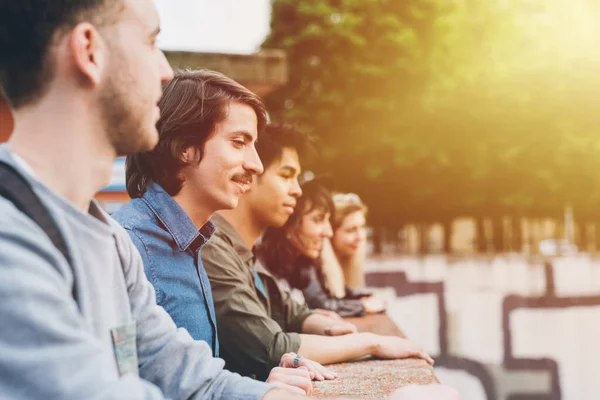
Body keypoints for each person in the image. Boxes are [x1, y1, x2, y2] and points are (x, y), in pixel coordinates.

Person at [0, 2, 310, 399]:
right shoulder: (11, 241)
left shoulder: (109, 240)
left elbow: (185, 373)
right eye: (151, 42)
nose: (165, 72)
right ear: (90, 52)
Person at [113, 69, 334, 391]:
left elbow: (186, 381)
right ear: (185, 147)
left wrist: (254, 383)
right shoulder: (128, 245)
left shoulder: (193, 240)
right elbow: (121, 385)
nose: (256, 165)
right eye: (239, 143)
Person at [202, 123, 434, 380]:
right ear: (251, 173)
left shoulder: (241, 251)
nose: (297, 190)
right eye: (285, 175)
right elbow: (268, 347)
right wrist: (371, 343)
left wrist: (322, 322)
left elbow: (286, 309)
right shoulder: (211, 247)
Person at [258, 179, 383, 317]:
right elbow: (320, 304)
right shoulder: (262, 269)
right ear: (288, 222)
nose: (328, 233)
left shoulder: (300, 262)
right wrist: (362, 306)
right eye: (318, 220)